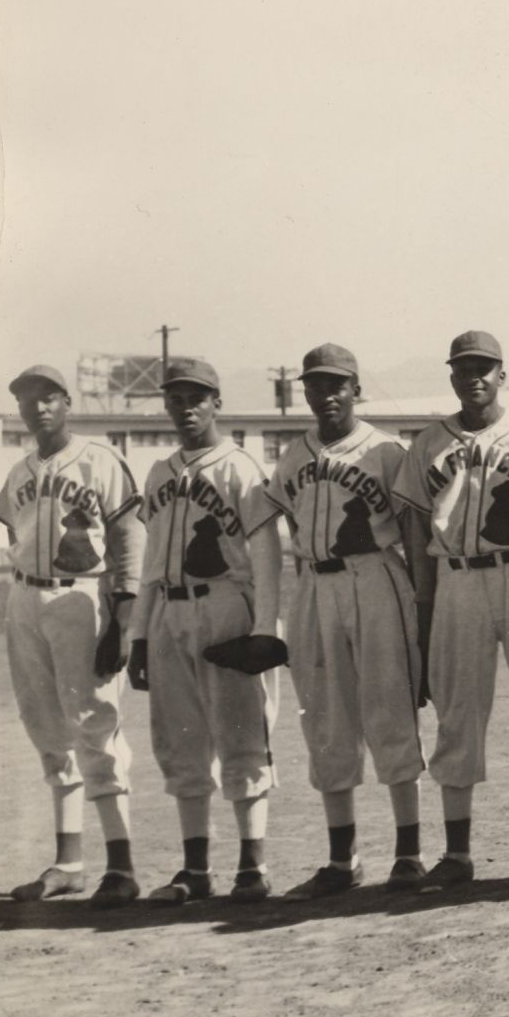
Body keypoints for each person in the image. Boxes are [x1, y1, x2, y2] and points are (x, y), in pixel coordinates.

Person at [391, 331, 509, 890]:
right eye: (463, 369)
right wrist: (424, 614)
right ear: (451, 377)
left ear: (503, 374)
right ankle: (457, 851)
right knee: (456, 708)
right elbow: (413, 533)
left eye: (484, 368)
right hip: (455, 580)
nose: (473, 377)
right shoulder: (428, 444)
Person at [256, 344, 431, 899]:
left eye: (337, 385)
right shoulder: (292, 455)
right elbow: (277, 520)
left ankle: (409, 854)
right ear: (303, 391)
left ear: (356, 388)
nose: (326, 395)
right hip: (312, 584)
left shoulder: (386, 451)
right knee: (326, 721)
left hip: (375, 577)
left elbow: (411, 534)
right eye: (316, 385)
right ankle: (341, 858)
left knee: (389, 711)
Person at [126, 358, 285, 904]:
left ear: (217, 402)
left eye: (197, 397)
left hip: (225, 607)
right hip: (169, 611)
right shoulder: (158, 473)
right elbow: (149, 565)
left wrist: (265, 630)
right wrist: (139, 637)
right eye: (176, 398)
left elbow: (267, 557)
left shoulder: (241, 468)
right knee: (180, 742)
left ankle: (252, 865)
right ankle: (195, 869)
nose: (186, 407)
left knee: (242, 736)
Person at [0, 364, 145, 907]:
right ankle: (69, 862)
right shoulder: (19, 470)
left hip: (82, 597)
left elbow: (129, 536)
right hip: (25, 596)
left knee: (94, 724)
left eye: (48, 397)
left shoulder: (100, 459)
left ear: (67, 403)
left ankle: (122, 866)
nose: (37, 407)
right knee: (45, 726)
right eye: (27, 399)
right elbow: (14, 528)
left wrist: (123, 619)